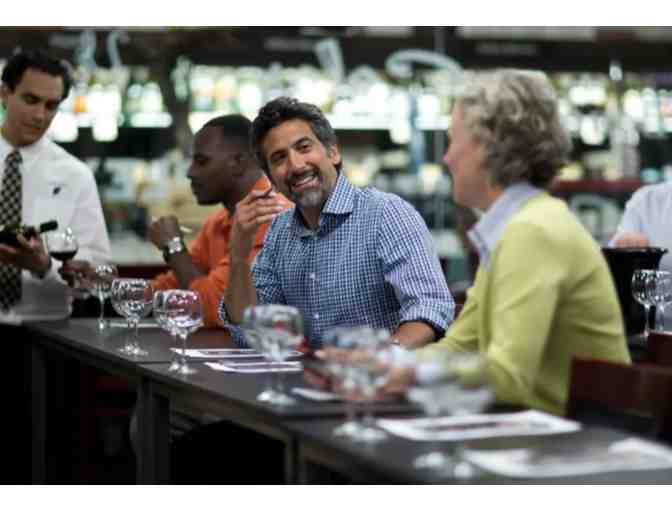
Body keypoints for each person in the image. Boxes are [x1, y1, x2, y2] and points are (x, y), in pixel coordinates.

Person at [383, 69, 630, 416]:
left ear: (489, 145)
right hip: (553, 431)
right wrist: (381, 364)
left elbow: (507, 375)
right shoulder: (518, 225)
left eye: (453, 140)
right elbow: (460, 346)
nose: (446, 158)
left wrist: (407, 373)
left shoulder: (533, 230)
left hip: (581, 440)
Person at [220, 96, 455, 350]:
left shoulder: (386, 214)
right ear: (271, 180)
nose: (295, 165)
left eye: (304, 147)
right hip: (314, 374)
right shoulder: (280, 231)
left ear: (332, 152)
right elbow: (252, 332)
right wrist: (239, 253)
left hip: (384, 371)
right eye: (279, 158)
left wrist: (378, 360)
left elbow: (429, 307)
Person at [65, 114, 292, 328]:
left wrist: (173, 247)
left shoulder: (270, 216)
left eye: (201, 161)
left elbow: (216, 308)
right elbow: (173, 287)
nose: (190, 172)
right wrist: (110, 286)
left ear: (239, 162)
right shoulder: (219, 221)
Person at [0, 49, 110, 482]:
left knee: (38, 466)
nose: (40, 115)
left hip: (43, 340)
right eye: (30, 100)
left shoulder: (75, 175)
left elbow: (99, 271)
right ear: (4, 93)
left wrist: (45, 265)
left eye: (51, 105)